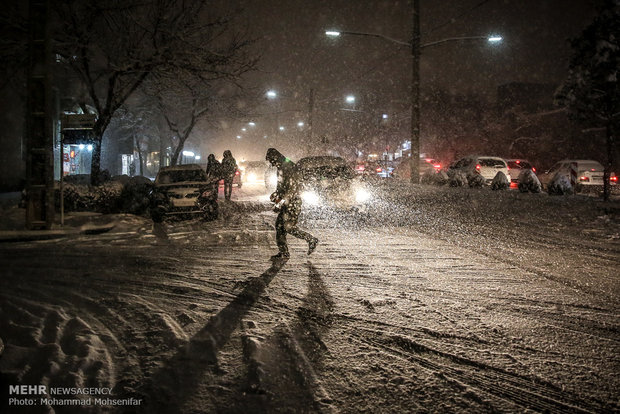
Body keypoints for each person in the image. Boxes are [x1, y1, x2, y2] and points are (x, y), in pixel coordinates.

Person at [266, 148, 318, 259]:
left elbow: (292, 188)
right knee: (280, 226)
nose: (271, 164)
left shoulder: (288, 167)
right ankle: (284, 252)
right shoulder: (281, 167)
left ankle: (311, 239)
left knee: (288, 227)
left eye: (271, 161)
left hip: (293, 201)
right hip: (288, 201)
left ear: (275, 158)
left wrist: (279, 199)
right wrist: (276, 196)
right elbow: (281, 187)